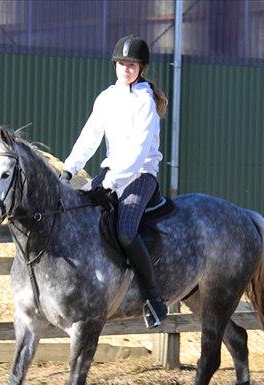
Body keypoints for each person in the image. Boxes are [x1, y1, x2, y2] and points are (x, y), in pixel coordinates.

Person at [59, 35, 169, 327]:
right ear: (115, 65)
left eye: (131, 64)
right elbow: (90, 136)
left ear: (141, 68)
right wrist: (70, 169)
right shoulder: (106, 98)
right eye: (122, 63)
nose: (126, 68)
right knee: (80, 217)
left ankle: (153, 298)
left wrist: (112, 183)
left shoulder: (146, 101)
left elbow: (139, 151)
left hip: (140, 175)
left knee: (125, 231)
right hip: (110, 174)